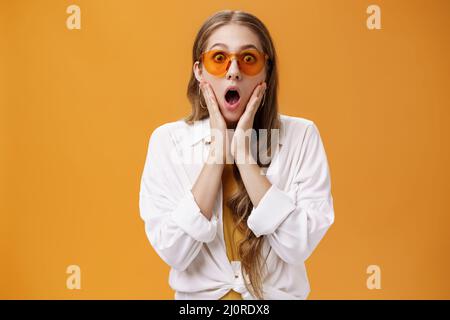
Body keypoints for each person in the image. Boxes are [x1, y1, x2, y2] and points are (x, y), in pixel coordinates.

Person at [139, 10, 335, 300]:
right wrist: (218, 152)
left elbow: (297, 245)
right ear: (199, 72)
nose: (234, 71)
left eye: (248, 59)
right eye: (218, 59)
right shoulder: (167, 142)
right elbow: (174, 251)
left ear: (266, 70)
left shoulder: (302, 136)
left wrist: (243, 154)